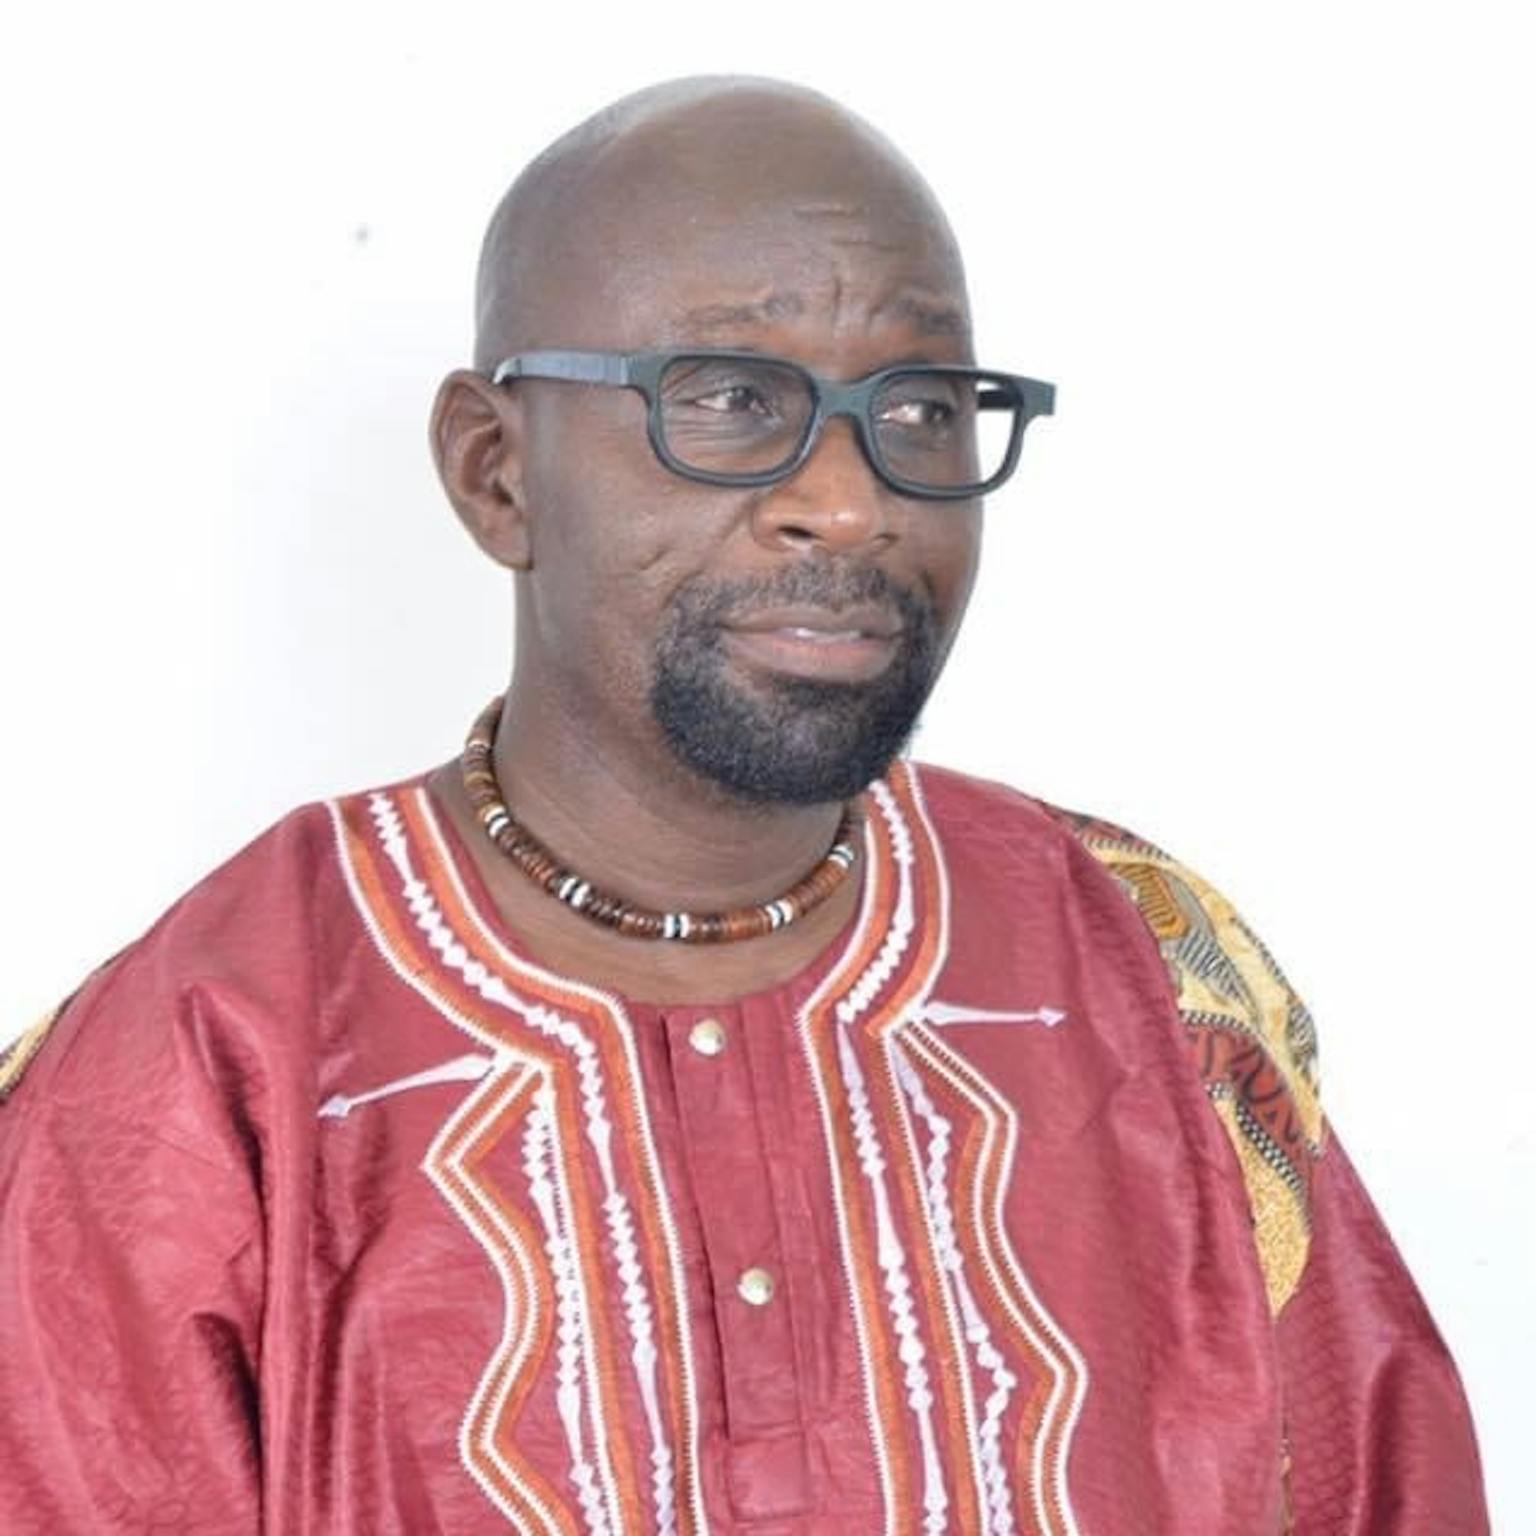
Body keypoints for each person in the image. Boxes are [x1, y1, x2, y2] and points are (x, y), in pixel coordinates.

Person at [0, 75, 1486, 1535]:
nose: (849, 503)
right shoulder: (206, 1062)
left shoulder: (1145, 973)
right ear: (494, 472)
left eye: (919, 407)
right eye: (725, 399)